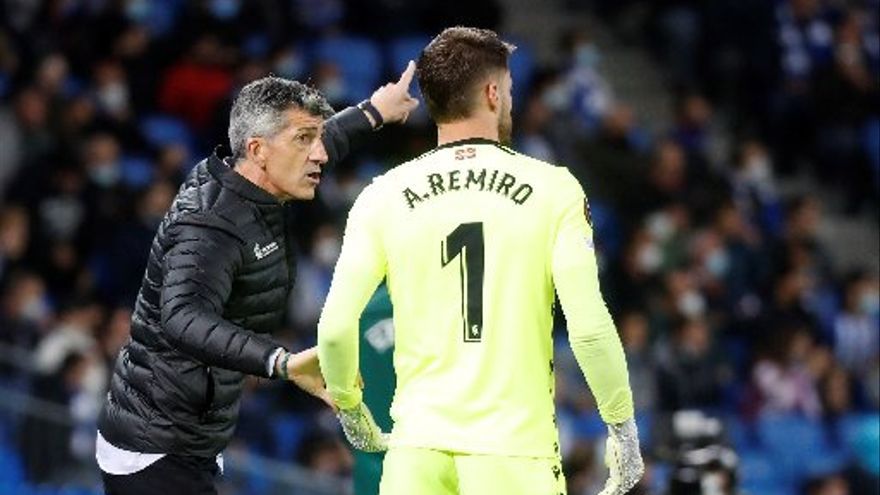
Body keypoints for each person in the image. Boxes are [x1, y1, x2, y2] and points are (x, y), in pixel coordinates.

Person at [318, 27, 643, 495]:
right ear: (493, 93)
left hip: (415, 454)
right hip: (514, 454)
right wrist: (622, 431)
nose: (508, 101)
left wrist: (352, 412)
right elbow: (589, 327)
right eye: (508, 91)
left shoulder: (381, 195)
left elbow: (332, 329)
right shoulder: (554, 190)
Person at [96, 65, 419, 495]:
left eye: (316, 138)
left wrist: (374, 111)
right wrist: (279, 361)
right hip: (155, 451)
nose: (319, 153)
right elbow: (181, 316)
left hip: (187, 437)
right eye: (305, 140)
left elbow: (324, 139)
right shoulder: (210, 226)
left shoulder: (254, 179)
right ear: (258, 150)